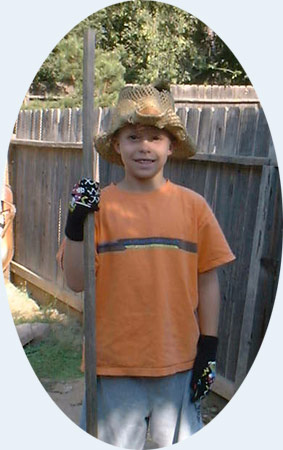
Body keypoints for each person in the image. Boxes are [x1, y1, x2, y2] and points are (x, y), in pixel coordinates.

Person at [61, 83, 235, 449]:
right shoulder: (97, 211)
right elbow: (77, 282)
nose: (144, 146)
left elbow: (207, 281)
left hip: (179, 362)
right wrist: (76, 224)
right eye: (133, 136)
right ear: (116, 146)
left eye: (155, 137)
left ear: (170, 146)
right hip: (112, 365)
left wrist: (209, 348)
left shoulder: (194, 207)